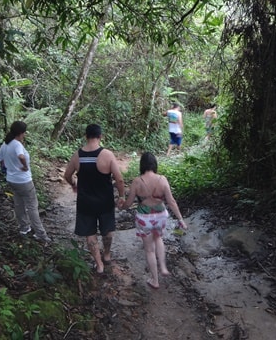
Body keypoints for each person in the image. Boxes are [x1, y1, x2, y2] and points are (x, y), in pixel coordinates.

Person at [64, 124, 125, 274]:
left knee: (90, 233)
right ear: (100, 137)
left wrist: (73, 184)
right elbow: (119, 179)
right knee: (107, 229)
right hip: (105, 201)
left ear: (86, 136)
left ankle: (99, 265)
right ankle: (107, 255)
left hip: (85, 202)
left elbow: (67, 175)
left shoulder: (77, 155)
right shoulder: (107, 155)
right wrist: (122, 195)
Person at [119, 152, 186, 289]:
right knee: (158, 238)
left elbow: (129, 203)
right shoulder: (162, 179)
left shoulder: (137, 181)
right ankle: (163, 267)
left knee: (149, 250)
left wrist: (121, 206)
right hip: (160, 216)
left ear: (142, 165)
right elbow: (171, 201)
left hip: (145, 219)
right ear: (155, 164)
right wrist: (180, 219)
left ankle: (155, 280)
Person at [0, 121, 51, 242]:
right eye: (24, 132)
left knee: (19, 204)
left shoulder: (6, 144)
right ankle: (41, 234)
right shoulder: (17, 144)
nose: (25, 135)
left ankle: (24, 228)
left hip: (12, 180)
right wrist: (24, 166)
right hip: (24, 181)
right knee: (32, 206)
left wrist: (9, 166)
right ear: (21, 133)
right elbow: (21, 156)